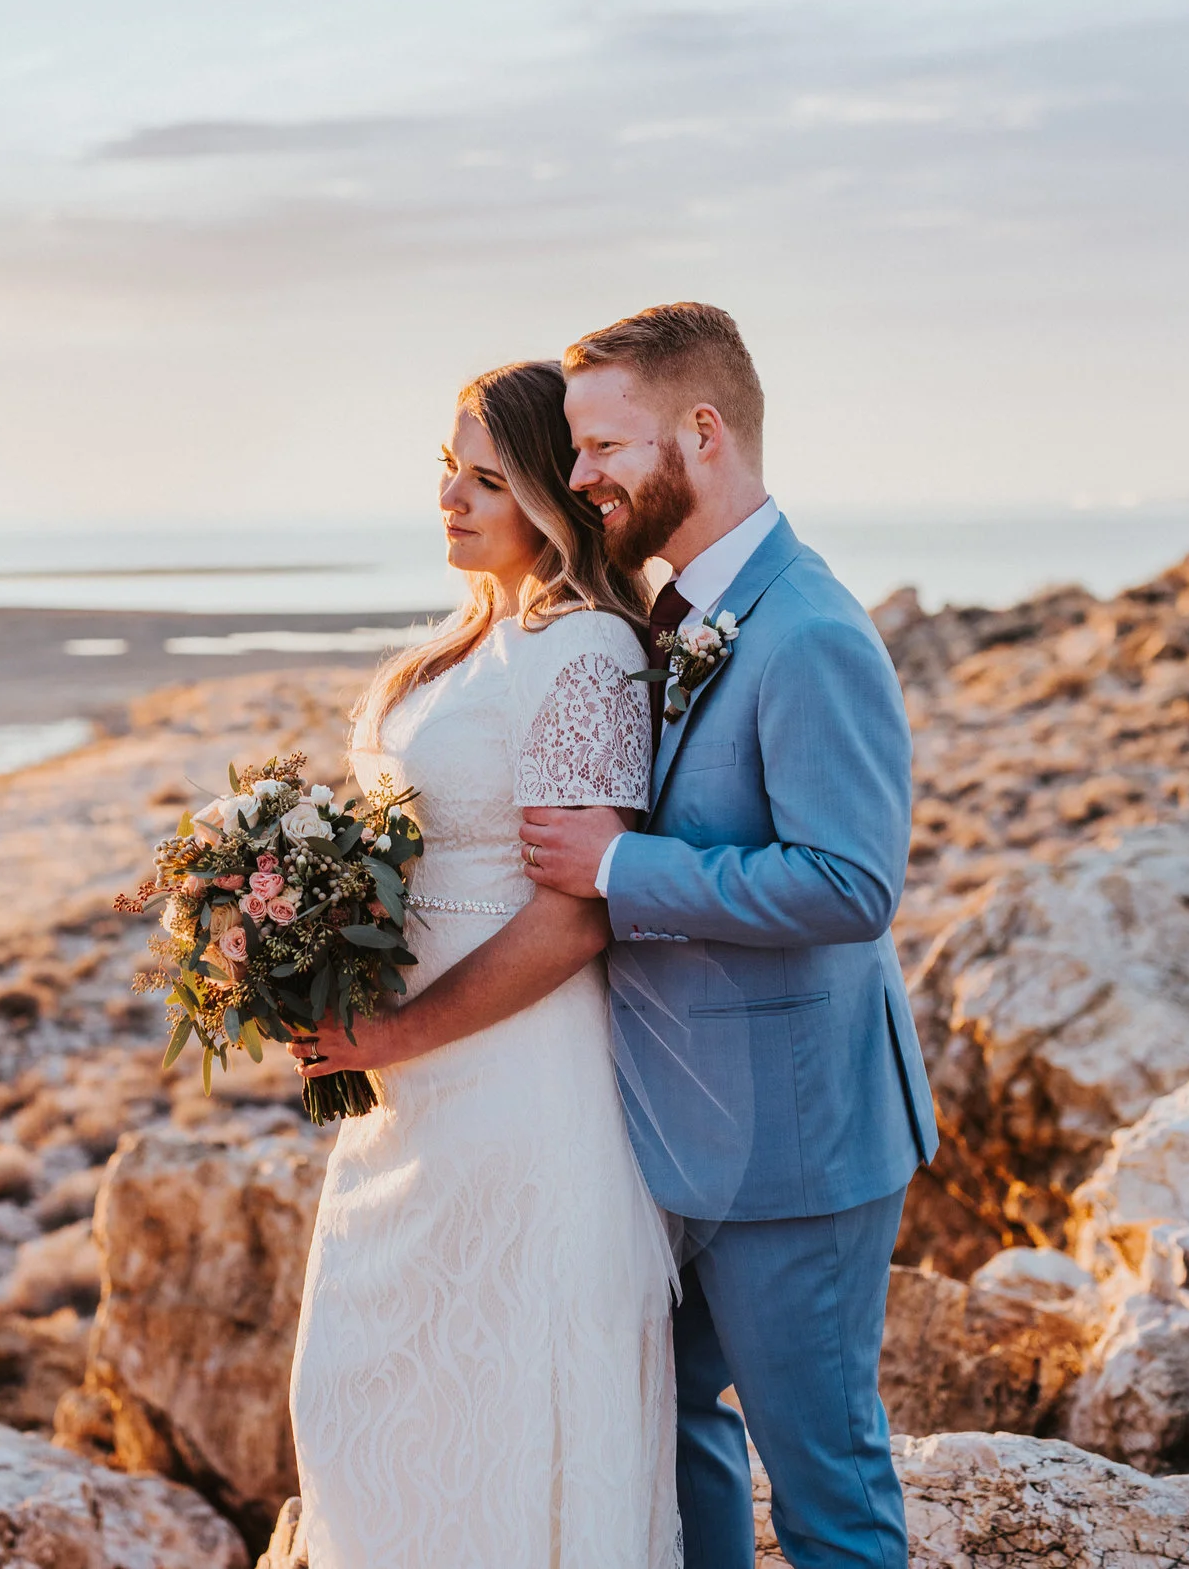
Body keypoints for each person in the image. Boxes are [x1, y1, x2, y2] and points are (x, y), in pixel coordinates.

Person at [518, 303, 939, 1569]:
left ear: (703, 433)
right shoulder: (678, 611)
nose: (579, 475)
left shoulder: (807, 631)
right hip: (678, 1133)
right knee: (677, 1431)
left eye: (602, 446)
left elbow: (849, 883)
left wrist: (620, 866)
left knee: (826, 1486)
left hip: (799, 1145)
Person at [286, 359, 679, 1569]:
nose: (451, 501)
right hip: (407, 1095)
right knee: (363, 1387)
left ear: (553, 499)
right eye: (446, 473)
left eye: (487, 479)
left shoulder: (586, 653)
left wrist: (389, 1034)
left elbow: (575, 916)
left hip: (519, 1090)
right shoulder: (456, 652)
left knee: (499, 1401)